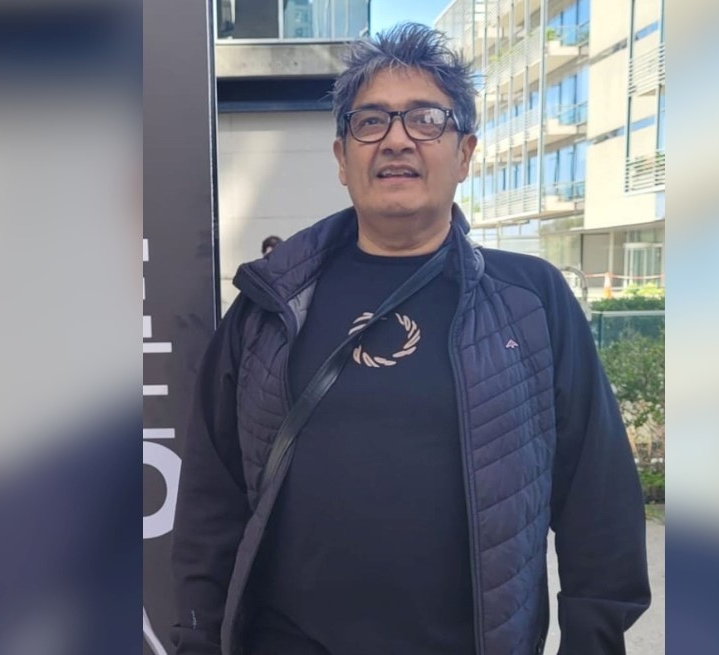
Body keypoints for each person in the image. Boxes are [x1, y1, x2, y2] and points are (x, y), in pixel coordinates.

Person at [171, 23, 650, 655]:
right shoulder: (270, 303)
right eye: (370, 121)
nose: (396, 139)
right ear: (342, 158)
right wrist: (197, 639)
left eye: (426, 119)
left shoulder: (531, 302)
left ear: (465, 153)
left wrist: (593, 640)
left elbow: (598, 497)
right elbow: (211, 498)